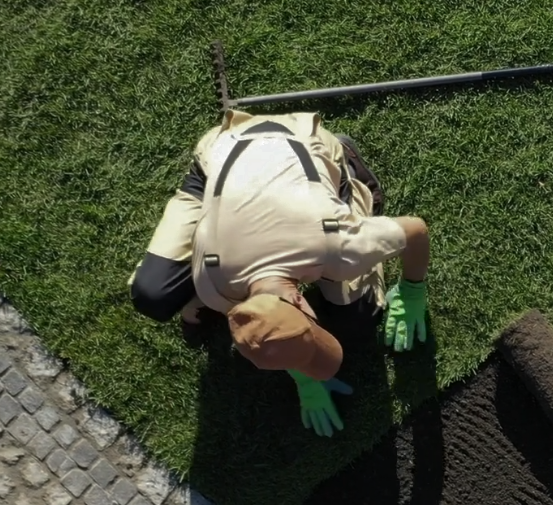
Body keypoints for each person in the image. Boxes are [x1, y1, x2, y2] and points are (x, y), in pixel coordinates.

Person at [129, 108, 432, 437]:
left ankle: (350, 169)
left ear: (299, 301)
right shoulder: (212, 283)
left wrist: (412, 291)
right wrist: (304, 375)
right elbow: (262, 324)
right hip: (230, 168)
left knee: (360, 312)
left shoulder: (339, 248)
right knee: (154, 295)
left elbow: (415, 230)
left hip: (294, 143)